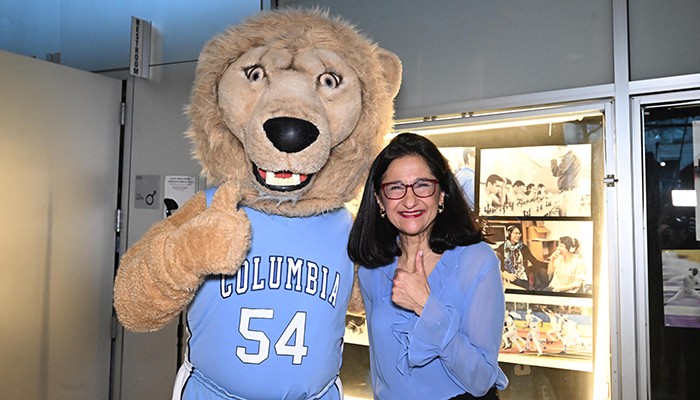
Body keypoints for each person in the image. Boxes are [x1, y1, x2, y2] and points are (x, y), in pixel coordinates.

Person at [348, 133, 507, 399]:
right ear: (379, 200)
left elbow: (480, 379)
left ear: (442, 193)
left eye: (422, 185)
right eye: (396, 188)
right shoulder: (372, 270)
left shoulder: (477, 262)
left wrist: (426, 306)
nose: (410, 201)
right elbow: (381, 372)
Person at [495, 225, 548, 290]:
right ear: (509, 234)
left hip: (521, 276)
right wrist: (504, 273)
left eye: (519, 233)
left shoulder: (523, 248)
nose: (518, 235)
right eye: (515, 233)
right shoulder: (502, 247)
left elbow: (534, 262)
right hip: (507, 276)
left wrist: (549, 264)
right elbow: (497, 264)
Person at [551, 146, 582, 216]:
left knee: (567, 216)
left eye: (559, 148)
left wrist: (553, 160)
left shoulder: (569, 156)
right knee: (566, 215)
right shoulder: (571, 157)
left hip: (569, 193)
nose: (557, 151)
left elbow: (556, 172)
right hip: (570, 192)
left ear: (565, 148)